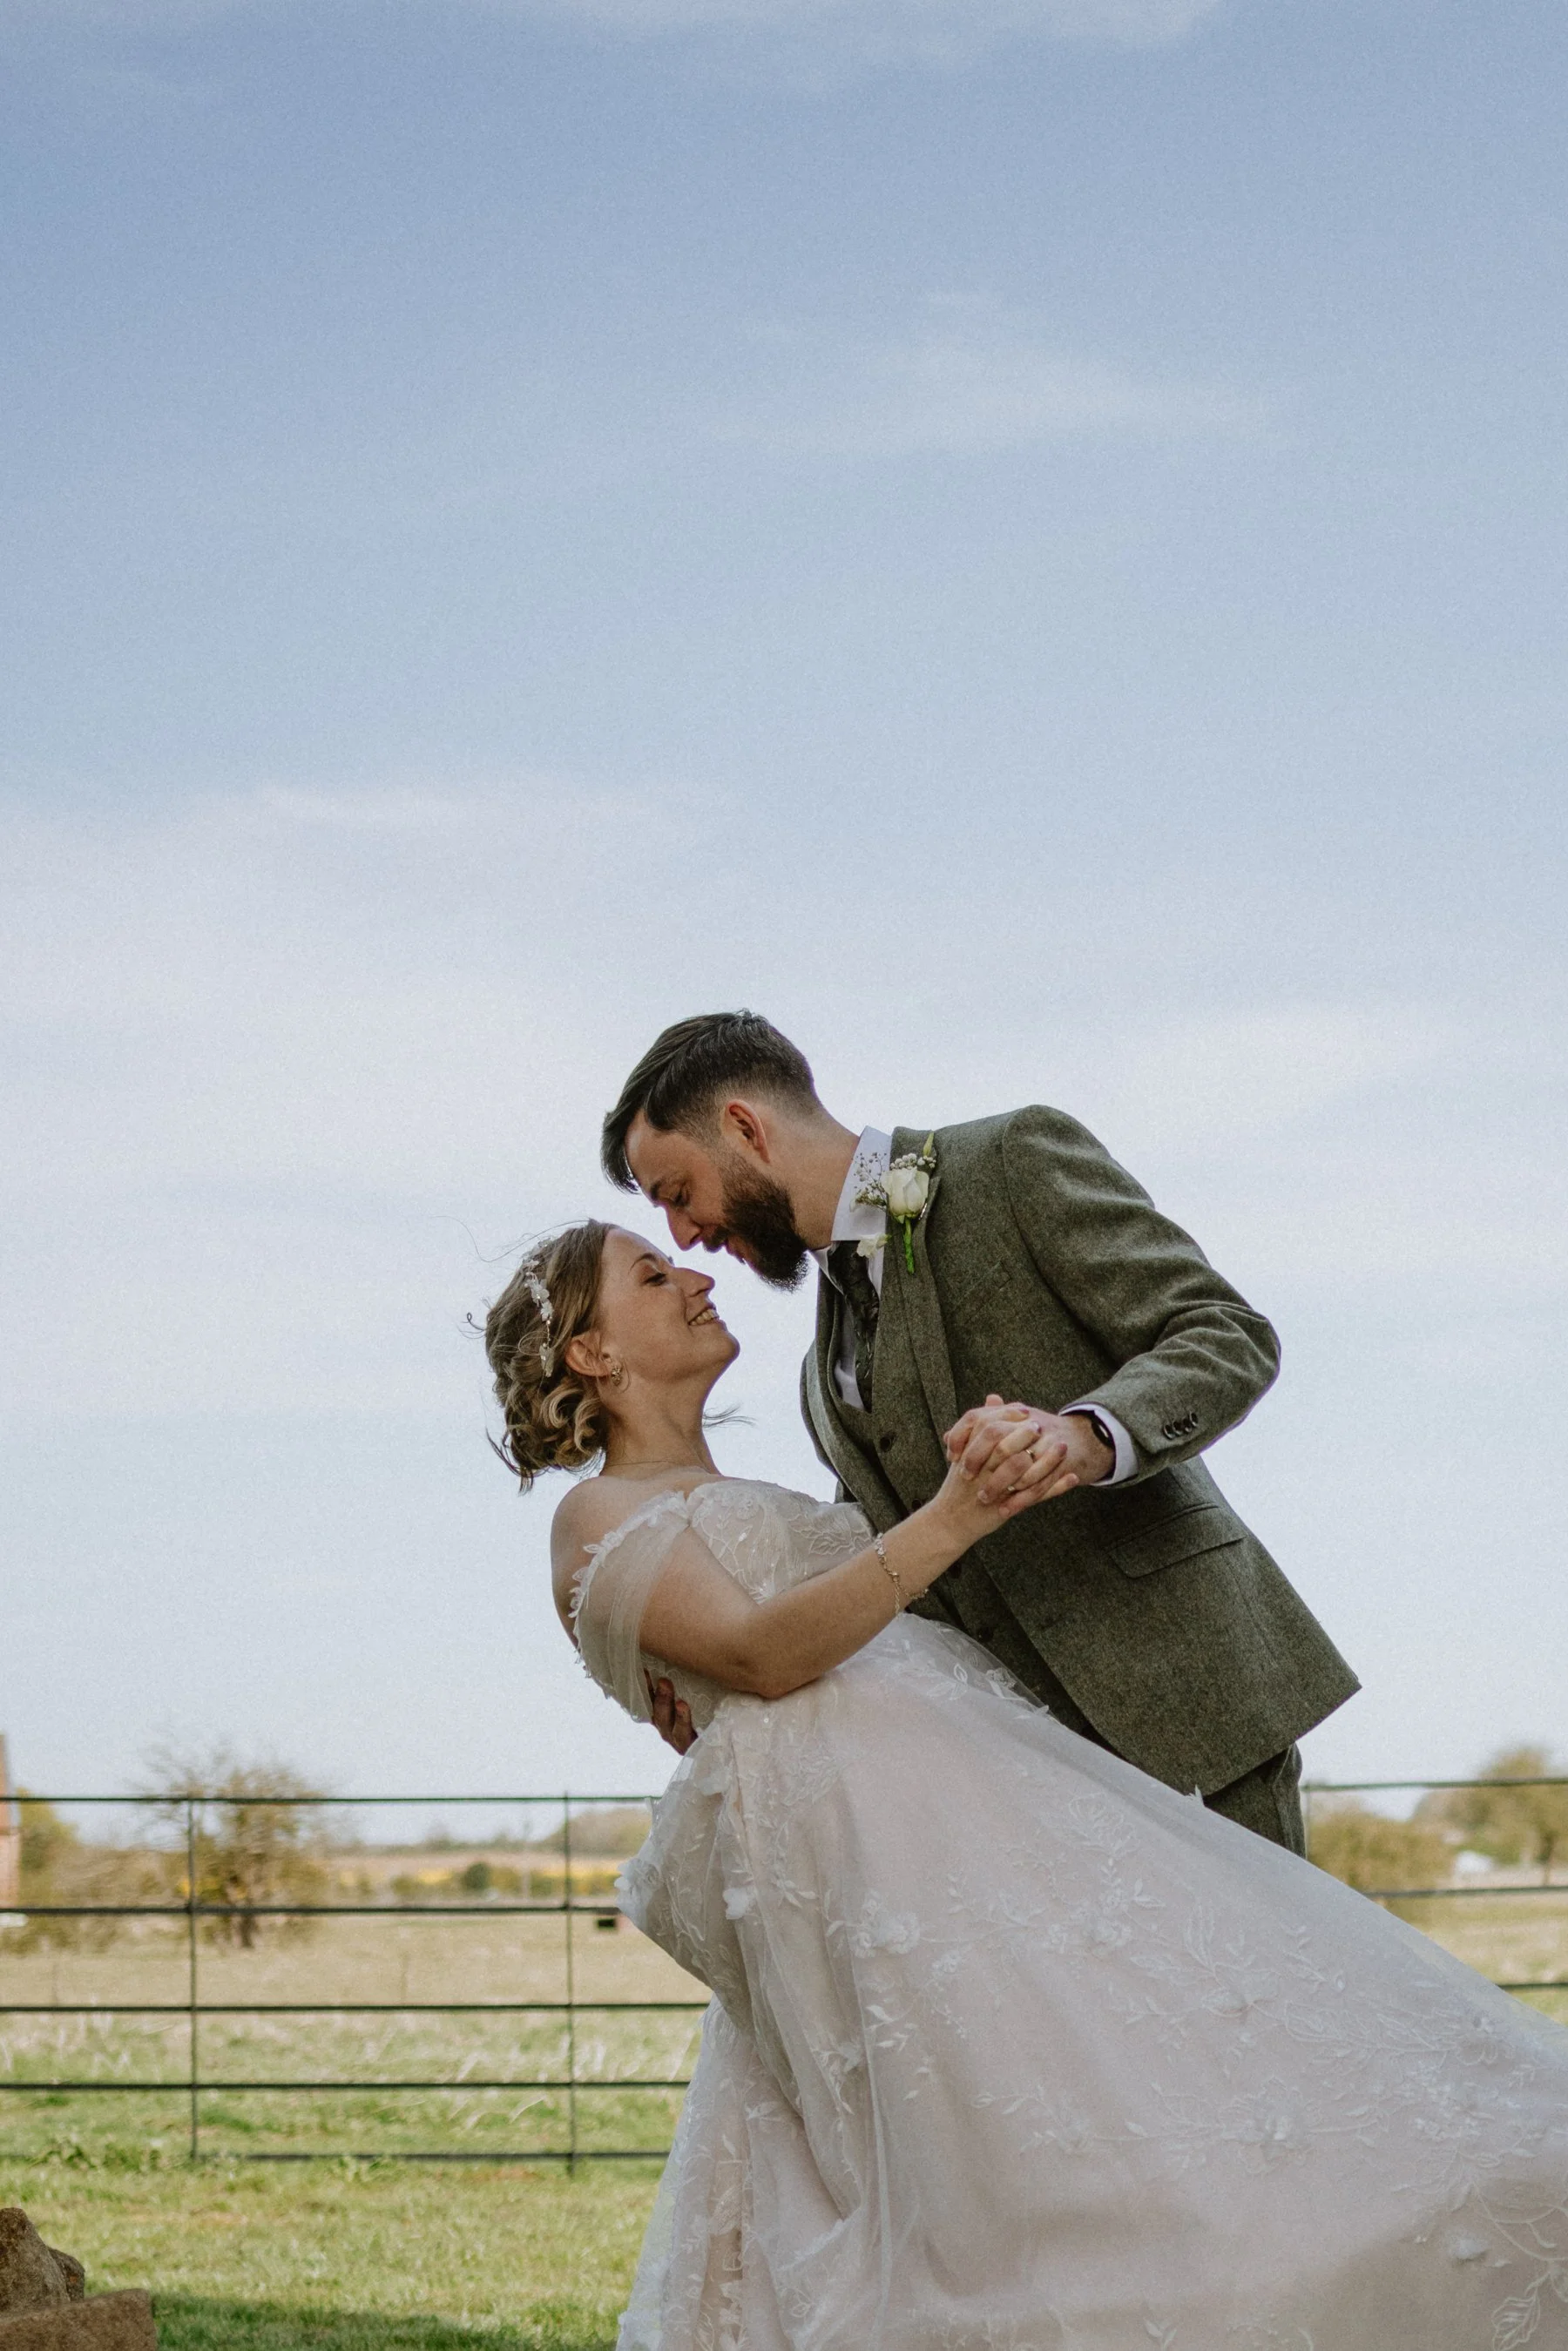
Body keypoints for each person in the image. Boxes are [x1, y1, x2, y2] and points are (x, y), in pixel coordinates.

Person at [484, 1220, 1568, 2351]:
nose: (697, 1273)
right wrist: (957, 1509)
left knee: (1189, 2070)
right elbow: (761, 1655)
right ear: (592, 1353)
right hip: (880, 1861)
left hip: (990, 1810)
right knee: (1001, 2175)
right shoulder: (593, 1516)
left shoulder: (758, 1490)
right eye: (654, 1275)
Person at [600, 1011, 1359, 1853]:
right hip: (1017, 1786)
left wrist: (1086, 1433)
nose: (685, 1234)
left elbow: (1223, 1333)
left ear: (745, 1127)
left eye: (677, 1193)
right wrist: (737, 1716)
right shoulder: (820, 1375)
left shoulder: (1009, 1162)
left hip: (1185, 1716)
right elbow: (893, 1587)